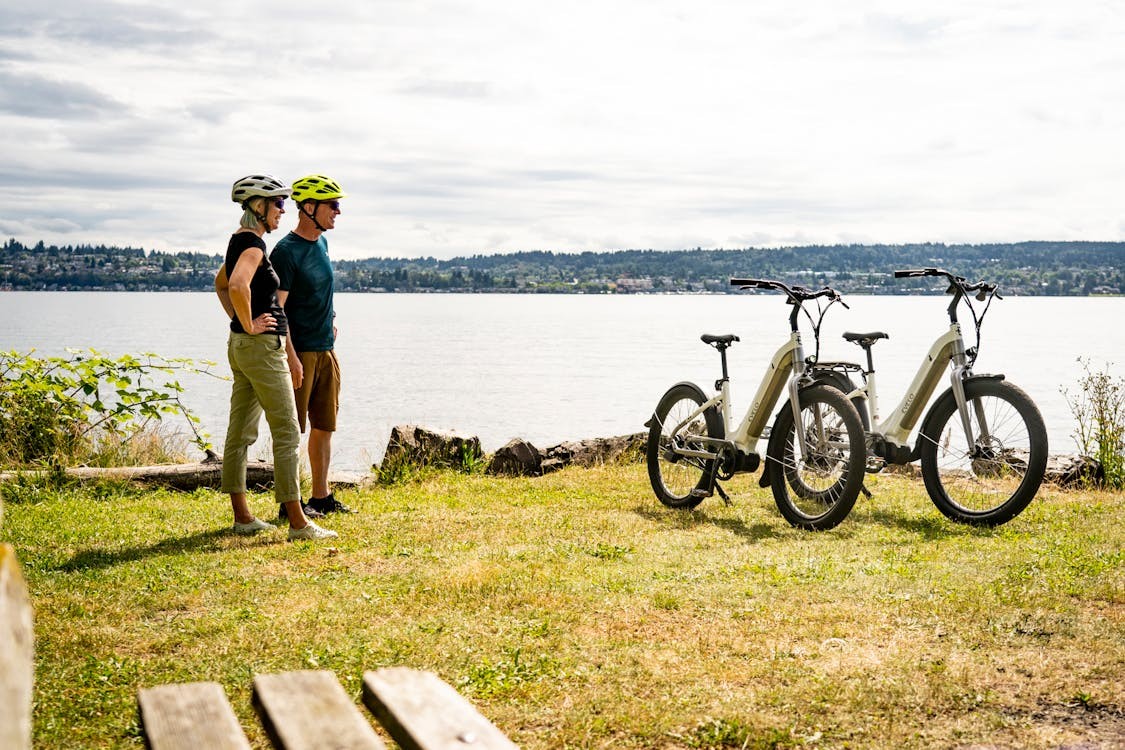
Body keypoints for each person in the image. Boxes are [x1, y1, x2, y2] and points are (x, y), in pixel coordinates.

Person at [215, 174, 338, 541]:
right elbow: (236, 286)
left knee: (239, 433)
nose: (283, 210)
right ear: (259, 207)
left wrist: (238, 322)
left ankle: (243, 517)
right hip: (260, 348)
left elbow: (221, 284)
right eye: (278, 204)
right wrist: (251, 324)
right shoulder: (254, 246)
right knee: (286, 431)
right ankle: (299, 523)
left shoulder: (239, 241)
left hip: (241, 348)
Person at [270, 173, 355, 518]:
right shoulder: (286, 252)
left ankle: (321, 497)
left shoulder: (321, 243)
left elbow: (322, 290)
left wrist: (331, 318)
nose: (338, 211)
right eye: (332, 205)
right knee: (292, 432)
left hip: (325, 350)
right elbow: (278, 307)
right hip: (299, 352)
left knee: (324, 426)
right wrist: (290, 357)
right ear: (308, 207)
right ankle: (287, 504)